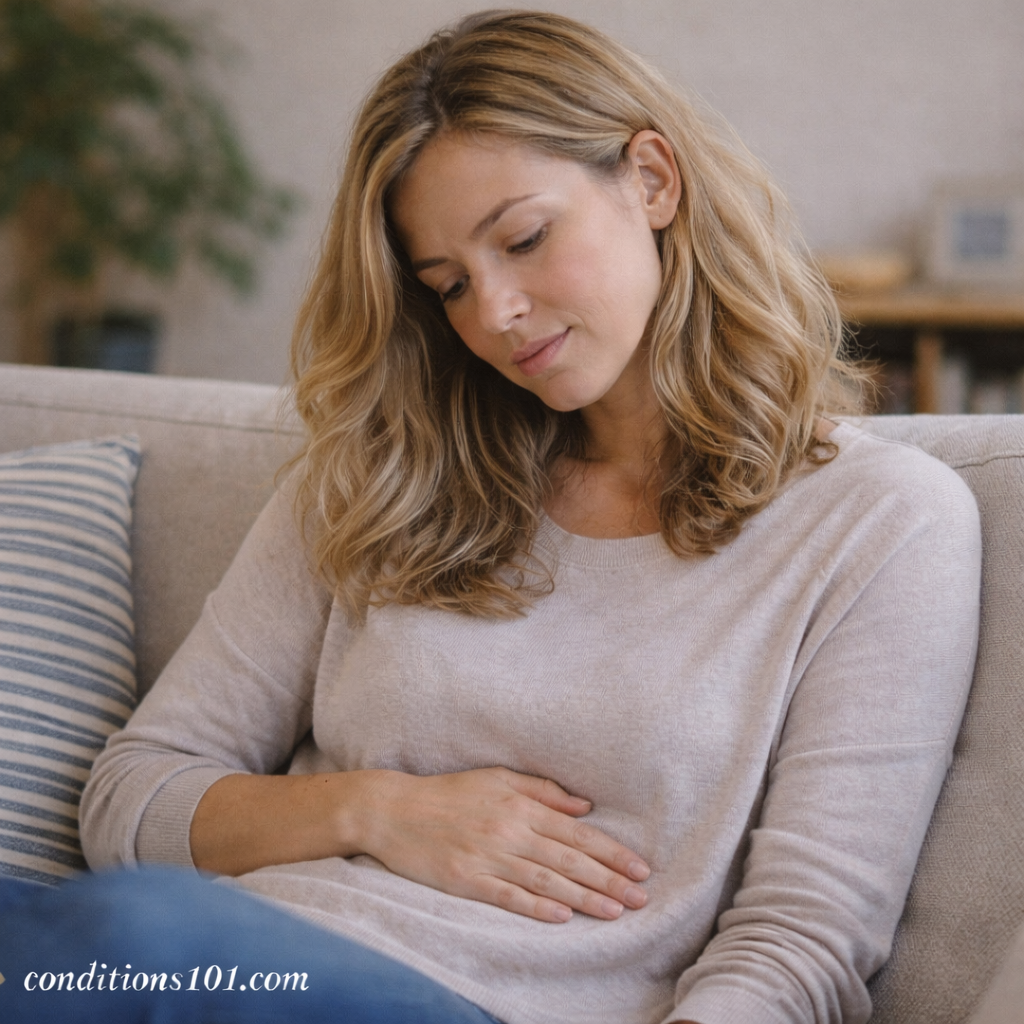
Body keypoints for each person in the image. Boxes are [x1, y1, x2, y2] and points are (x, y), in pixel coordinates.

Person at [0, 10, 981, 1024]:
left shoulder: (880, 523)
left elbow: (803, 944)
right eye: (449, 285)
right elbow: (128, 802)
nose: (494, 313)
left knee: (134, 936)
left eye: (524, 239)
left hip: (438, 1000)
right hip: (227, 965)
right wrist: (377, 810)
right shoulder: (385, 478)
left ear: (652, 178)